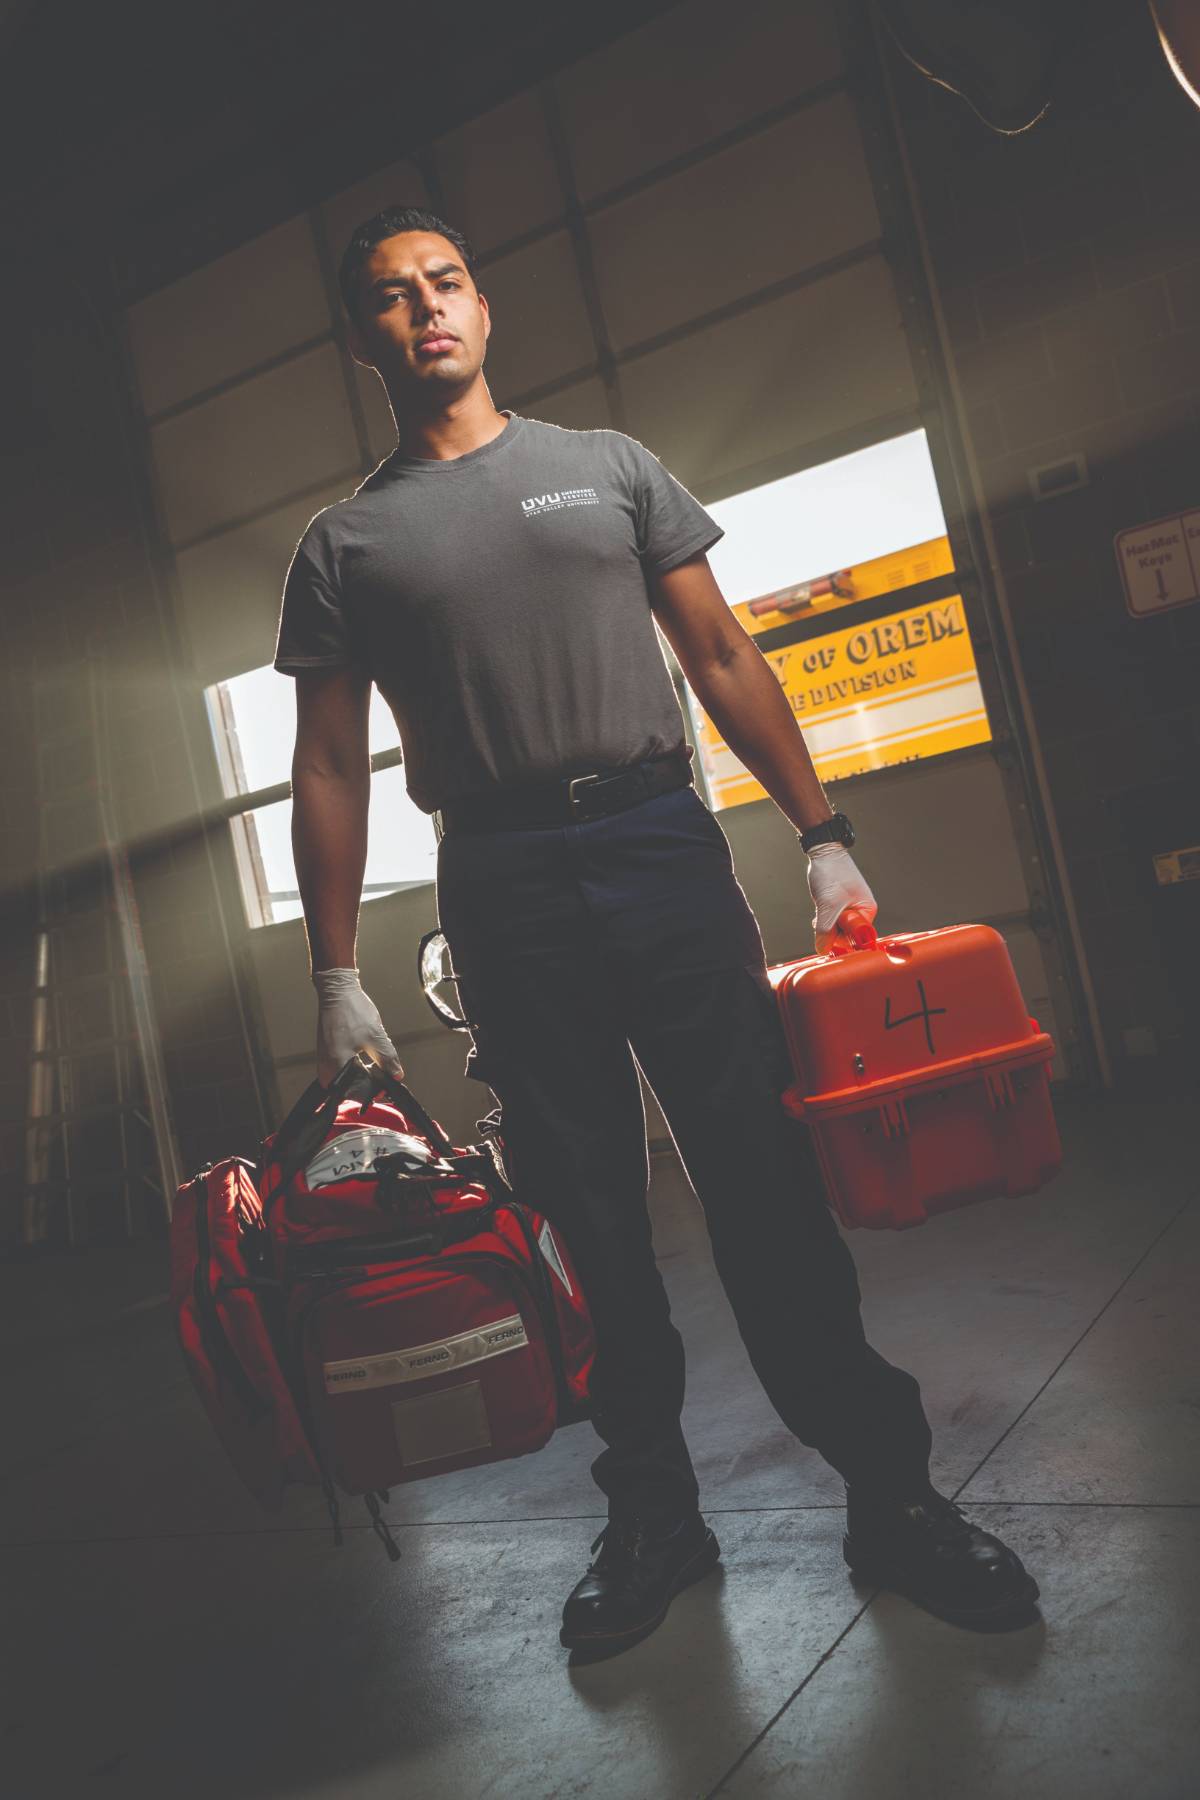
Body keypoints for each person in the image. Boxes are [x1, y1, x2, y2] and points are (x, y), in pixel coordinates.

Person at [273, 204, 1040, 1655]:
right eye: (390, 296)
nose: (425, 307)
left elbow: (722, 649)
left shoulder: (605, 470)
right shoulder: (348, 542)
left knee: (759, 1176)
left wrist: (825, 842)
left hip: (656, 844)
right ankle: (654, 1520)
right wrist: (331, 972)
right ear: (362, 337)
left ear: (484, 307)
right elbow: (326, 762)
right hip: (499, 878)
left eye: (444, 281)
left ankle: (892, 1498)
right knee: (585, 1213)